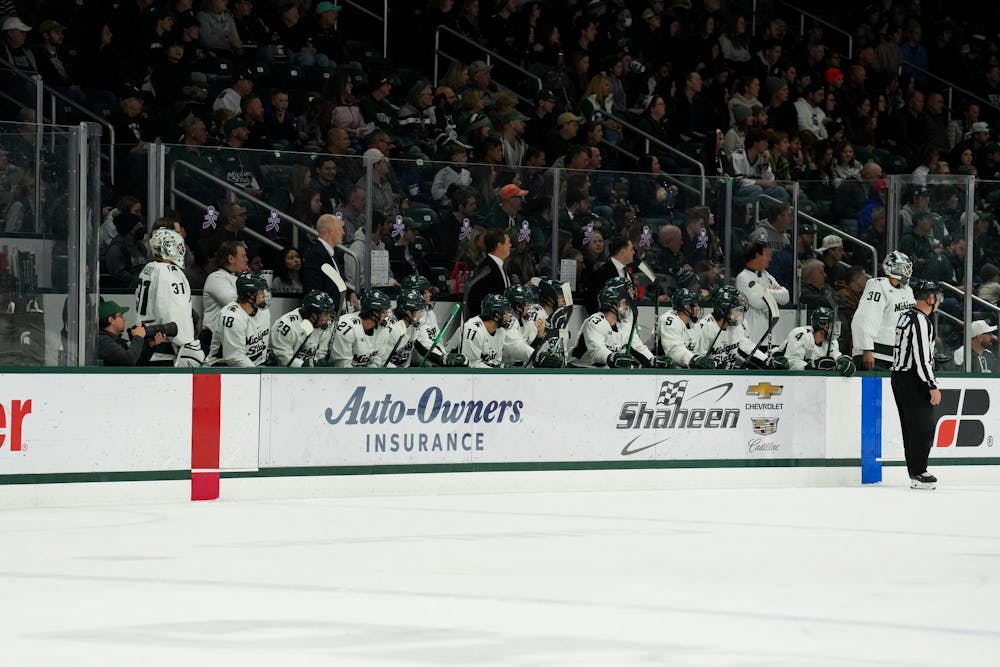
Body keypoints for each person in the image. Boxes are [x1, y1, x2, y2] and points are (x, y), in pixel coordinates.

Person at [890, 279, 944, 490]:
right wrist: (932, 384)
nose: (938, 301)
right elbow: (921, 357)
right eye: (936, 297)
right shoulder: (921, 321)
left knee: (911, 428)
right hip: (914, 379)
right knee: (923, 427)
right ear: (929, 298)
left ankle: (915, 471)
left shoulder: (905, 316)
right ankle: (919, 471)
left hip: (900, 377)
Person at [135, 228, 204, 367]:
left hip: (145, 336)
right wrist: (185, 339)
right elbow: (172, 310)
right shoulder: (169, 273)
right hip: (164, 345)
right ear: (168, 248)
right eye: (177, 246)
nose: (180, 250)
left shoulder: (149, 268)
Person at [571, 283, 667, 368]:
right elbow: (597, 351)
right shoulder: (594, 322)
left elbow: (638, 348)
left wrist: (653, 360)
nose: (626, 307)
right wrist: (612, 357)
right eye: (623, 303)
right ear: (612, 305)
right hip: (579, 368)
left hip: (604, 370)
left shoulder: (624, 325)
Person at [692, 286, 788, 370]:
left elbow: (746, 347)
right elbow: (698, 361)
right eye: (736, 310)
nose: (738, 314)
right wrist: (715, 366)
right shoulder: (705, 328)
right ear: (723, 310)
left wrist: (767, 361)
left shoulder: (735, 327)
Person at [852, 251, 916, 370]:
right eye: (903, 267)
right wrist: (867, 349)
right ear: (892, 268)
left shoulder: (907, 290)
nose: (907, 271)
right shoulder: (878, 285)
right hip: (875, 353)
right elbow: (866, 318)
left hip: (895, 354)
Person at [399, 274, 466, 367]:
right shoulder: (413, 318)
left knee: (463, 330)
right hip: (425, 358)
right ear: (417, 294)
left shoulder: (429, 311)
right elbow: (423, 345)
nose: (430, 294)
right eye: (426, 291)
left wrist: (445, 354)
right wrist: (444, 358)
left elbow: (438, 339)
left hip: (437, 352)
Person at [206, 272, 270, 367]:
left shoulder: (264, 312)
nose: (264, 296)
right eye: (261, 292)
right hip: (222, 369)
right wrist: (258, 375)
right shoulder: (232, 317)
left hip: (251, 367)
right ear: (249, 294)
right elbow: (234, 358)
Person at [735, 240, 789, 343]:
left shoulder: (767, 275)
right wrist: (773, 293)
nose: (770, 258)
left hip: (772, 335)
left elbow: (785, 297)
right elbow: (758, 302)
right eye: (767, 255)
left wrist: (763, 291)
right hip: (753, 335)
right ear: (757, 255)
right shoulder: (743, 277)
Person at [269, 290, 336, 367]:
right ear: (312, 314)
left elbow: (321, 352)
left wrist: (318, 361)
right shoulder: (287, 325)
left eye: (329, 313)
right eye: (325, 314)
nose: (329, 318)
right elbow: (282, 359)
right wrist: (303, 365)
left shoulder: (323, 324)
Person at [781, 307, 855, 375]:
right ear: (822, 325)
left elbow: (836, 356)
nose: (834, 329)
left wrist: (843, 362)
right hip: (777, 372)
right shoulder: (801, 334)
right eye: (832, 325)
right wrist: (811, 366)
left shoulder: (832, 341)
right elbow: (791, 363)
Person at [329, 288, 392, 367]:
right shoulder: (346, 328)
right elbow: (343, 368)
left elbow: (378, 361)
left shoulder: (384, 329)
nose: (386, 315)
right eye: (383, 312)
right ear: (374, 313)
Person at [202, 241, 248, 347]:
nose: (246, 260)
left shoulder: (237, 278)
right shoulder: (216, 277)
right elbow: (234, 303)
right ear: (231, 259)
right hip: (213, 339)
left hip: (232, 337)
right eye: (243, 256)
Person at [658, 288, 716, 369]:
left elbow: (696, 352)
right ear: (685, 306)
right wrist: (694, 359)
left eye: (698, 305)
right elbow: (674, 351)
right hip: (662, 370)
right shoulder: (669, 319)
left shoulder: (694, 323)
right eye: (694, 305)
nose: (698, 308)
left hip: (682, 369)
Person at [96, 300, 165, 367]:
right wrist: (138, 337)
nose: (124, 319)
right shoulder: (103, 341)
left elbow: (137, 363)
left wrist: (150, 345)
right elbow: (128, 361)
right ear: (111, 320)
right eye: (121, 316)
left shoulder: (116, 340)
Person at [455, 293, 512, 369]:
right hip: (454, 374)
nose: (510, 315)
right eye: (506, 312)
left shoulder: (501, 331)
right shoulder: (472, 330)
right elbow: (471, 365)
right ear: (496, 316)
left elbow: (495, 362)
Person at [464, 228, 511, 318]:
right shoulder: (487, 269)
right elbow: (474, 297)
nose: (511, 245)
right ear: (499, 246)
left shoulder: (499, 266)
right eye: (508, 243)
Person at [501, 284, 542, 366]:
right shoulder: (508, 321)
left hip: (517, 366)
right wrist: (539, 357)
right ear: (518, 306)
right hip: (502, 369)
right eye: (527, 304)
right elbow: (516, 348)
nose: (529, 307)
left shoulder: (525, 319)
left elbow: (528, 344)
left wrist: (539, 337)